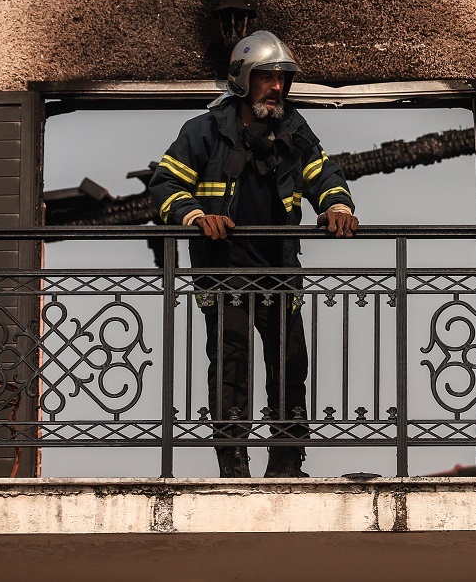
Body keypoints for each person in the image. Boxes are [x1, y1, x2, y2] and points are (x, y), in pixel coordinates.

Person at [149, 31, 358, 477]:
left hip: (279, 272)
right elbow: (165, 185)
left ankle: (286, 463)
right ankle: (233, 465)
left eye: (283, 78)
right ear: (243, 79)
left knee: (290, 365)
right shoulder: (204, 131)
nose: (277, 87)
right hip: (222, 273)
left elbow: (324, 174)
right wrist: (195, 217)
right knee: (230, 366)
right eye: (267, 77)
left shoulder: (293, 130)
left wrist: (337, 205)